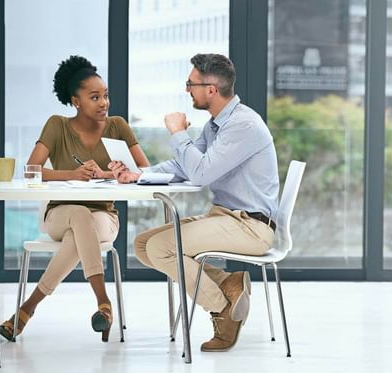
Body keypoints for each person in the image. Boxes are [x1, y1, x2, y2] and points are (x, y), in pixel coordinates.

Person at [109, 53, 279, 352]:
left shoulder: (242, 125)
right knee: (144, 245)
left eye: (191, 83)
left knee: (163, 248)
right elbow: (182, 166)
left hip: (250, 226)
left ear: (211, 89)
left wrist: (178, 133)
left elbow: (200, 174)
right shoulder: (216, 125)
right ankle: (228, 283)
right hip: (226, 218)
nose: (188, 90)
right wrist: (138, 174)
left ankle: (221, 309)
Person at [0, 55, 149, 342]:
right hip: (59, 214)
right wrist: (73, 174)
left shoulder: (118, 126)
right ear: (76, 101)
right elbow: (32, 170)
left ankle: (27, 310)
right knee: (79, 216)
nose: (104, 103)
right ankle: (103, 303)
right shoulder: (57, 125)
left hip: (104, 217)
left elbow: (145, 171)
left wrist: (114, 174)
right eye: (94, 97)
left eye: (105, 95)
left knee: (82, 228)